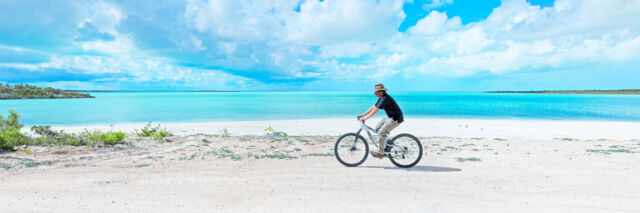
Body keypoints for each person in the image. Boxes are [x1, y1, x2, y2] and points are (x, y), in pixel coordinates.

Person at [359, 83, 404, 159]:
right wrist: (362, 115)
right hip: (390, 117)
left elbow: (375, 110)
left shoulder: (385, 99)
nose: (375, 94)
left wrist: (365, 119)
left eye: (376, 92)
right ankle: (388, 143)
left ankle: (380, 153)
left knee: (381, 133)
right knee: (377, 129)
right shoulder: (381, 97)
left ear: (380, 92)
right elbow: (373, 107)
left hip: (396, 118)